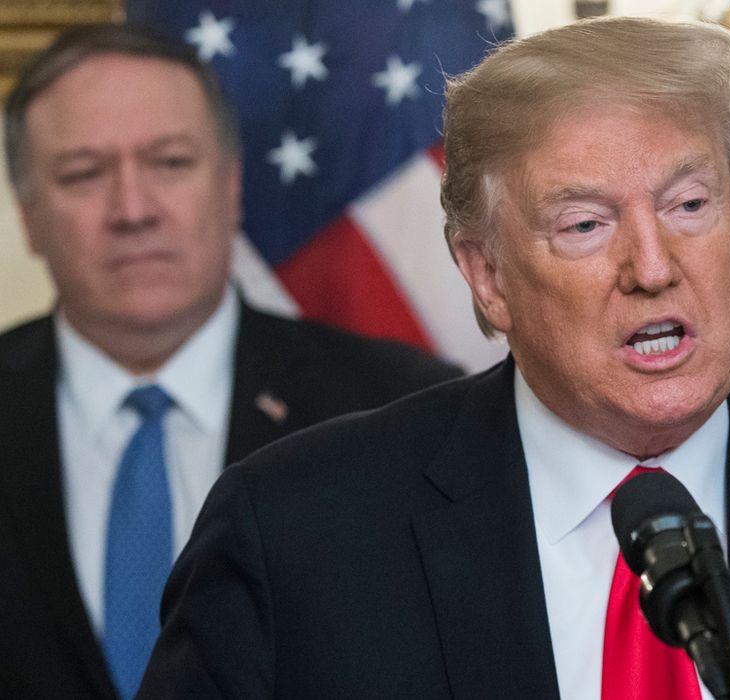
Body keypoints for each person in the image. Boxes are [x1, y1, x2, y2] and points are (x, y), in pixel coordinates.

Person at [140, 17, 730, 698]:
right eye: (585, 225)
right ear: (487, 276)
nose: (652, 268)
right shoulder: (297, 535)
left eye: (690, 206)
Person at [0, 24, 462, 700]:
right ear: (28, 215)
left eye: (170, 163)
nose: (133, 210)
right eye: (84, 174)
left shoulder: (402, 408)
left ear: (231, 184)